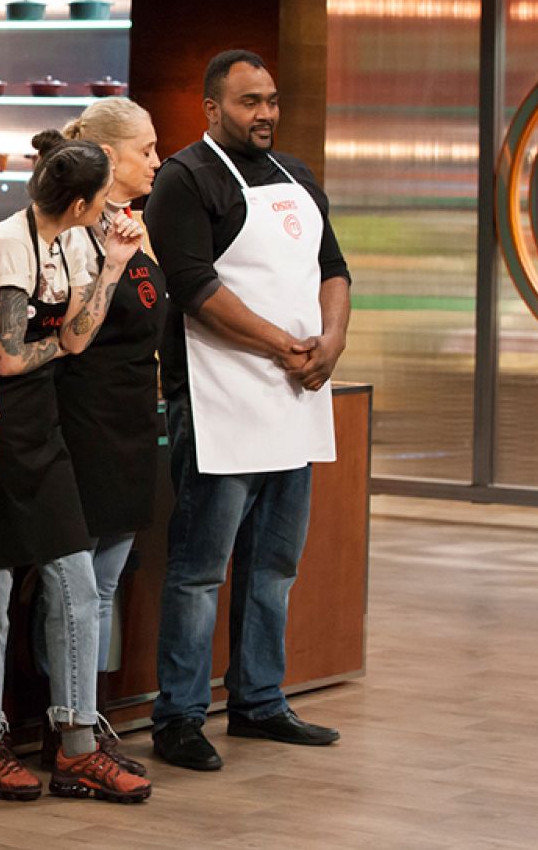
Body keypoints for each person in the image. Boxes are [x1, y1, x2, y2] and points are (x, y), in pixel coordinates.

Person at [143, 49, 350, 771]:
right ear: (212, 108)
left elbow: (333, 268)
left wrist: (332, 340)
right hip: (220, 400)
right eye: (249, 102)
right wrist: (283, 344)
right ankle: (178, 718)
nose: (265, 113)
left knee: (275, 566)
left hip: (294, 400)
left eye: (271, 100)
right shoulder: (184, 179)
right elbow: (195, 289)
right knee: (200, 570)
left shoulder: (297, 175)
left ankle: (260, 701)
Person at [0, 130, 151, 807]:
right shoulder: (8, 245)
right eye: (102, 202)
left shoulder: (69, 242)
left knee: (76, 585)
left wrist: (114, 265)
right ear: (82, 203)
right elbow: (6, 358)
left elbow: (77, 336)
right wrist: (60, 346)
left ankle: (76, 745)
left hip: (45, 428)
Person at [36, 98, 166, 775]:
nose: (157, 161)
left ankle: (88, 713)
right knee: (74, 594)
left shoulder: (136, 226)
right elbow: (70, 337)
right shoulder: (73, 232)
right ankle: (68, 731)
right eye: (146, 149)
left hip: (133, 423)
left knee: (106, 586)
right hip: (81, 422)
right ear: (109, 156)